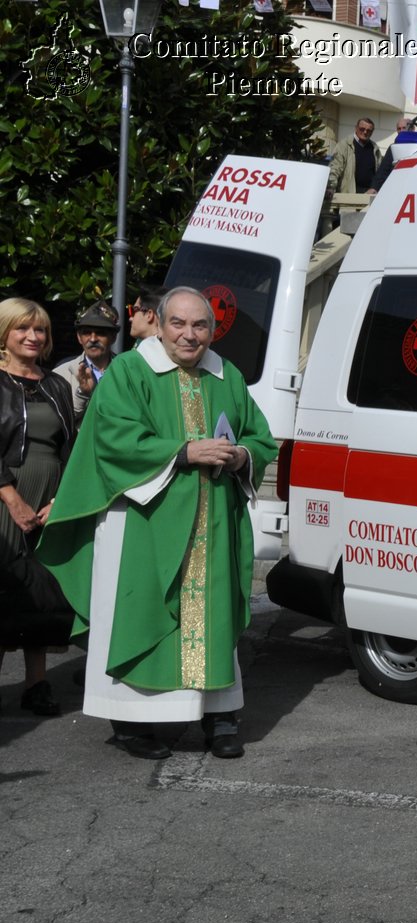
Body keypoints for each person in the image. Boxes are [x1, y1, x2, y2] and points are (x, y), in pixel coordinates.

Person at [38, 288, 275, 761]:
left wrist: (241, 455)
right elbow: (115, 435)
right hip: (144, 520)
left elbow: (258, 435)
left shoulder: (225, 374)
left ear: (212, 329)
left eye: (200, 326)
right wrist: (185, 452)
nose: (190, 335)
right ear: (160, 324)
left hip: (211, 521)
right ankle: (130, 722)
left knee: (212, 617)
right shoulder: (129, 369)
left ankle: (220, 715)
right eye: (179, 324)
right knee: (141, 610)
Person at [0, 297, 76, 716]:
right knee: (3, 584)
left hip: (50, 496)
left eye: (40, 329)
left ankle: (37, 685)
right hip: (4, 494)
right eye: (22, 329)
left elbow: (73, 449)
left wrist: (60, 499)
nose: (33, 337)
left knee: (41, 590)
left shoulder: (56, 385)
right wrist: (12, 498)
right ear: (5, 334)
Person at [53, 298, 119, 426]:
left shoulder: (128, 371)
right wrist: (82, 394)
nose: (93, 339)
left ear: (113, 337)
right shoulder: (60, 374)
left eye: (101, 333)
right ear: (79, 337)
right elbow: (58, 422)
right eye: (87, 333)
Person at [327, 117, 381, 196]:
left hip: (369, 196)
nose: (365, 132)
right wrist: (330, 187)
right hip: (349, 195)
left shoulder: (375, 148)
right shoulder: (344, 145)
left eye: (369, 130)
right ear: (356, 128)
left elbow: (379, 173)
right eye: (362, 129)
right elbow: (335, 167)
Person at [371, 116, 412, 191]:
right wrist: (374, 188)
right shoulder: (393, 148)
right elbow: (383, 171)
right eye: (399, 129)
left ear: (412, 129)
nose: (401, 131)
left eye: (404, 128)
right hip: (396, 189)